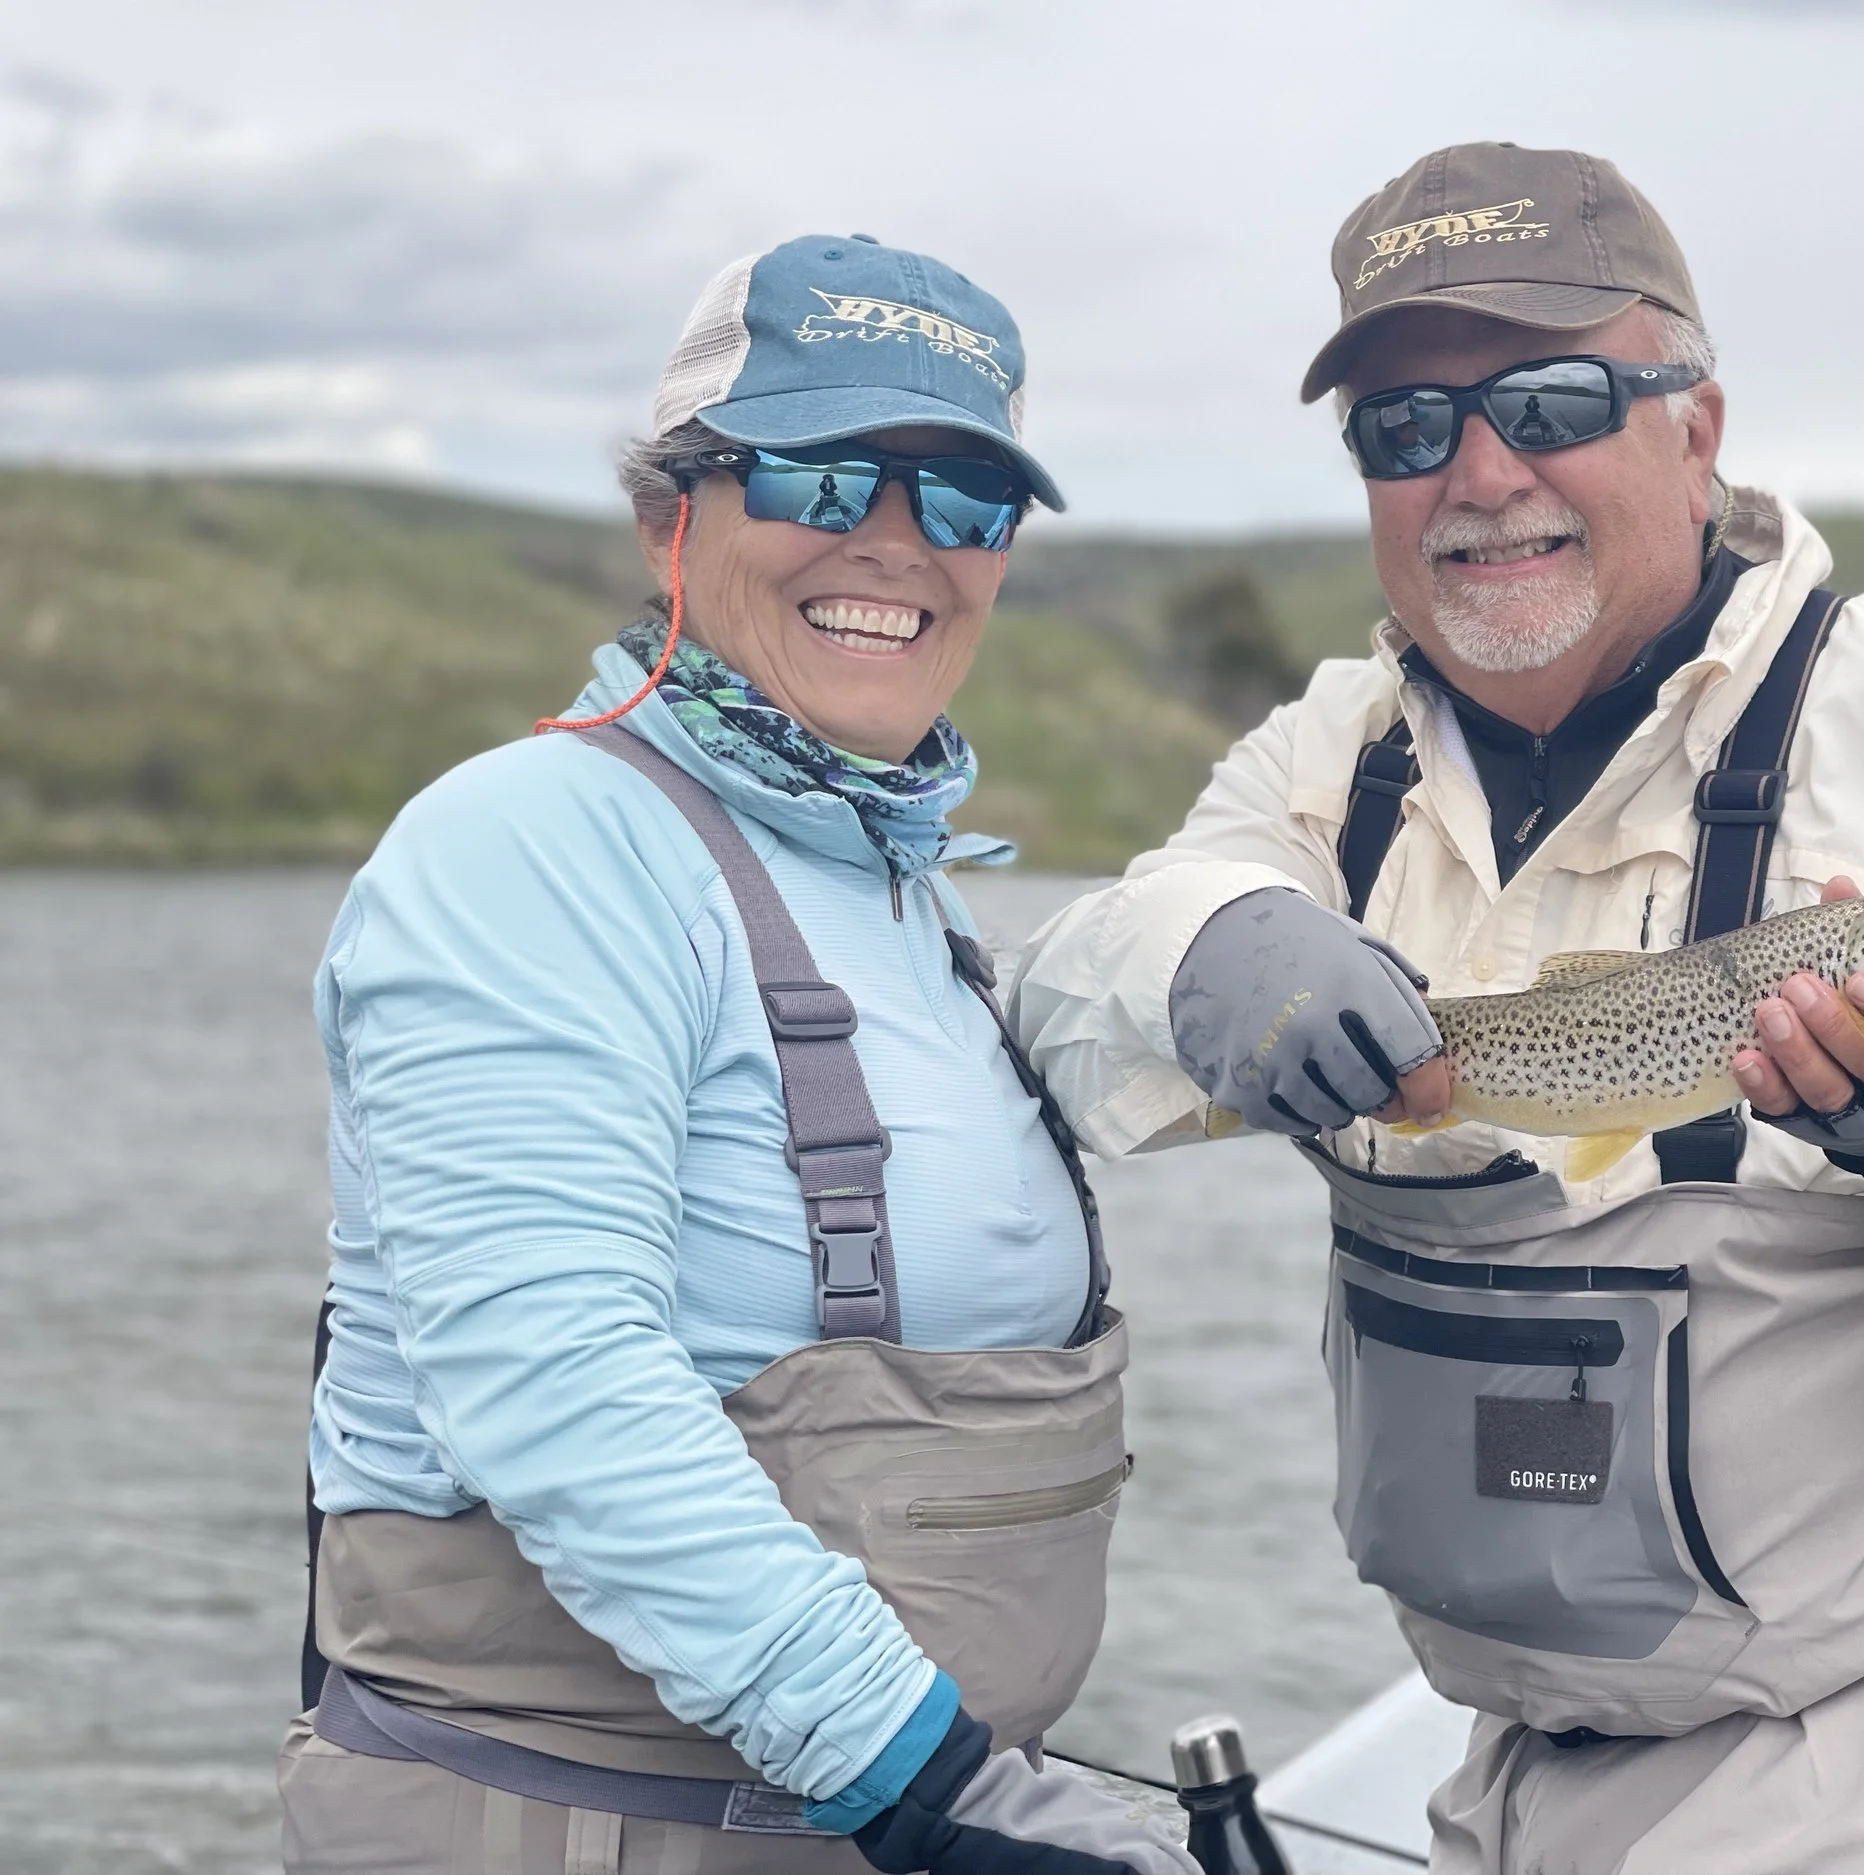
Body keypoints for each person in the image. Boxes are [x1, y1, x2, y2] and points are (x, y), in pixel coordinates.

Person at [1008, 145, 1864, 1872]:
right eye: (1405, 429)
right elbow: (1066, 996)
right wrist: (1208, 946)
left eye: (1549, 401)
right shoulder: (1343, 756)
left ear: (1697, 427)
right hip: (1518, 1765)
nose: (1480, 471)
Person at [281, 234, 1194, 1875]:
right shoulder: (534, 841)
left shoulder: (893, 886)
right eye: (824, 476)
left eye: (965, 502)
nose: (898, 545)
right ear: (669, 514)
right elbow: (557, 1384)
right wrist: (933, 1785)